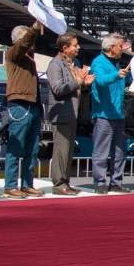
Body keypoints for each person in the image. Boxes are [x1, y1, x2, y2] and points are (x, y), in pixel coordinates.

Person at [47, 32, 94, 195]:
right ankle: (59, 183)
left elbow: (76, 87)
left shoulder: (75, 63)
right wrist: (79, 81)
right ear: (64, 48)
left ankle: (66, 181)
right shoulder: (55, 64)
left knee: (68, 150)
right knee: (61, 150)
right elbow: (58, 88)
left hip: (73, 113)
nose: (78, 47)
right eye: (75, 45)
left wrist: (85, 84)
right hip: (61, 114)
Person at [3, 21, 44, 199]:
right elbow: (24, 44)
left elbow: (26, 44)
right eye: (28, 38)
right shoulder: (13, 54)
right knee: (16, 146)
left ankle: (27, 183)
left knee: (32, 148)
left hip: (32, 104)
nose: (32, 42)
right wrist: (34, 29)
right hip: (19, 104)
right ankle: (10, 185)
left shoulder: (29, 57)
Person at [89, 33, 130, 194]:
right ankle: (100, 182)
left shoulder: (116, 64)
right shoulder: (98, 62)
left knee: (120, 151)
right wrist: (116, 75)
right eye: (120, 46)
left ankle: (116, 182)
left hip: (118, 114)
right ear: (111, 48)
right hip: (103, 115)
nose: (123, 49)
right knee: (101, 150)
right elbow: (100, 80)